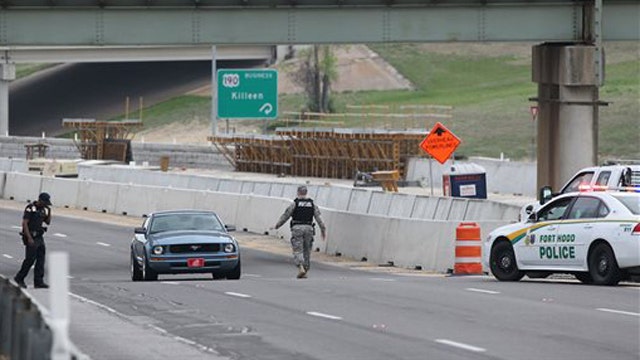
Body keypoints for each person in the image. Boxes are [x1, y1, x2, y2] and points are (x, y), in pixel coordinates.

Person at [273, 186, 327, 279]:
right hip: (309, 228)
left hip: (297, 228)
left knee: (298, 249)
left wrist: (277, 225)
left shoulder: (295, 204)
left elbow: (286, 216)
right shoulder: (312, 204)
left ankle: (300, 267)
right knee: (307, 249)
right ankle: (305, 269)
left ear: (298, 193)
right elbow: (319, 218)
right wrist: (323, 230)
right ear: (306, 193)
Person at [14, 192, 52, 289]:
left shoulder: (43, 210)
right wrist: (29, 238)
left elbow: (47, 222)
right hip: (31, 236)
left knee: (41, 260)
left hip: (39, 237)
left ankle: (38, 281)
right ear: (40, 200)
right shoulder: (30, 208)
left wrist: (49, 211)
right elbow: (25, 223)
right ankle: (19, 278)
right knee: (30, 260)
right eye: (45, 203)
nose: (46, 205)